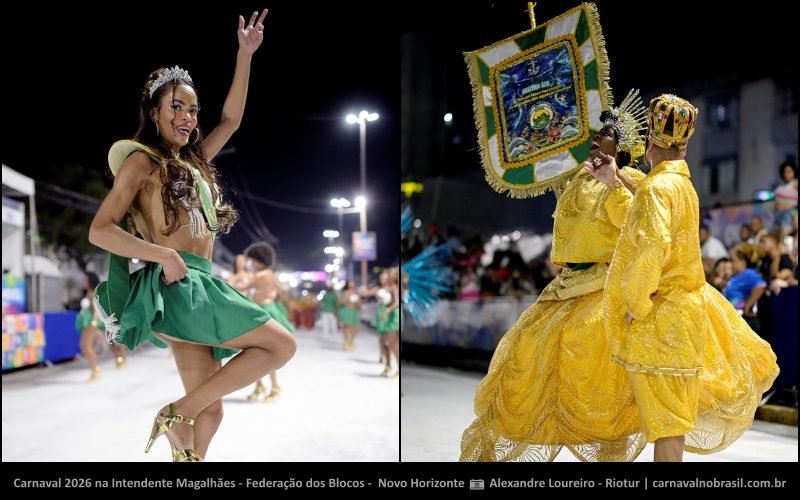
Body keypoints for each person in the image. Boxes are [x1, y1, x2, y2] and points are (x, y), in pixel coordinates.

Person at [88, 9, 296, 462]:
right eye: (176, 107)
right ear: (154, 112)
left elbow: (232, 120)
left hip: (200, 281)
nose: (187, 116)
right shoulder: (141, 162)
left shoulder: (195, 160)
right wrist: (161, 255)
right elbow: (100, 230)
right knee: (281, 344)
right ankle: (175, 413)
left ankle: (183, 442)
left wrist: (245, 56)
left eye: (192, 109)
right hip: (178, 286)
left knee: (211, 410)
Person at [461, 90, 649, 462]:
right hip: (564, 289)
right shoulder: (574, 178)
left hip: (605, 287)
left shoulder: (632, 180)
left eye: (604, 133)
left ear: (621, 145)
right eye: (592, 133)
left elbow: (639, 229)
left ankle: (609, 458)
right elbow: (542, 153)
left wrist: (613, 182)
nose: (594, 138)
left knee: (601, 381)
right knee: (524, 358)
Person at [601, 94, 778, 462]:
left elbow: (654, 245)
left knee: (665, 426)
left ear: (650, 143)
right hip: (686, 320)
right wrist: (618, 180)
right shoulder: (684, 186)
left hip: (661, 318)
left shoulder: (656, 188)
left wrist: (635, 300)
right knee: (673, 426)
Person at [240, 242, 295, 402]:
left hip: (262, 312)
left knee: (259, 351)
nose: (251, 263)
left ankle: (271, 386)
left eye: (253, 260)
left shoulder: (259, 276)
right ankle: (265, 386)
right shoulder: (271, 274)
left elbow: (243, 287)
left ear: (259, 260)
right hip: (267, 309)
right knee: (259, 351)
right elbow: (283, 291)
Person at [773, 160, 798, 239]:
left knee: (785, 234)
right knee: (777, 235)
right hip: (778, 215)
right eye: (785, 171)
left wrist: (789, 206)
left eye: (789, 171)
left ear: (794, 172)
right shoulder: (781, 187)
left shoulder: (795, 184)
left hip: (791, 214)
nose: (787, 173)